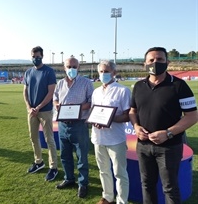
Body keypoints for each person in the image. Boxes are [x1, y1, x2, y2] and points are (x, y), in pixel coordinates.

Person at [129, 47, 198, 204]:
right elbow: (132, 111)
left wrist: (168, 133)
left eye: (160, 59)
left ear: (168, 62)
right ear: (145, 64)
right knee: (147, 185)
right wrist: (136, 127)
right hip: (143, 145)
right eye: (151, 60)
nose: (155, 63)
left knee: (170, 188)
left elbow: (193, 116)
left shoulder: (180, 86)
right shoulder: (139, 86)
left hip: (169, 147)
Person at [53, 57, 94, 198]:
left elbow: (91, 102)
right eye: (69, 66)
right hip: (63, 124)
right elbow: (55, 97)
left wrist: (76, 109)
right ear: (64, 68)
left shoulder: (86, 83)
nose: (72, 69)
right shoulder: (60, 83)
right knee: (65, 155)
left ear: (79, 67)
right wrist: (57, 104)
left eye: (74, 66)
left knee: (82, 156)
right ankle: (69, 178)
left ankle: (83, 183)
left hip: (79, 124)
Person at [91, 60, 130, 204]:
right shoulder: (96, 92)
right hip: (98, 137)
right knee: (103, 170)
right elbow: (94, 112)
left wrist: (110, 119)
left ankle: (121, 201)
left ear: (114, 72)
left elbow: (127, 115)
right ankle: (107, 197)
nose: (103, 74)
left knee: (120, 173)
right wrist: (95, 120)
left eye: (106, 71)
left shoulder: (122, 90)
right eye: (101, 71)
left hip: (116, 139)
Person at [23, 46, 58, 181]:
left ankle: (53, 167)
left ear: (42, 56)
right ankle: (39, 162)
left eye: (37, 56)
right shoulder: (28, 72)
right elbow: (25, 91)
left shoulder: (49, 72)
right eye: (33, 56)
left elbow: (51, 93)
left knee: (49, 139)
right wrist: (29, 107)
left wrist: (38, 107)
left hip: (45, 111)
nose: (35, 59)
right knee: (33, 138)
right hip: (32, 111)